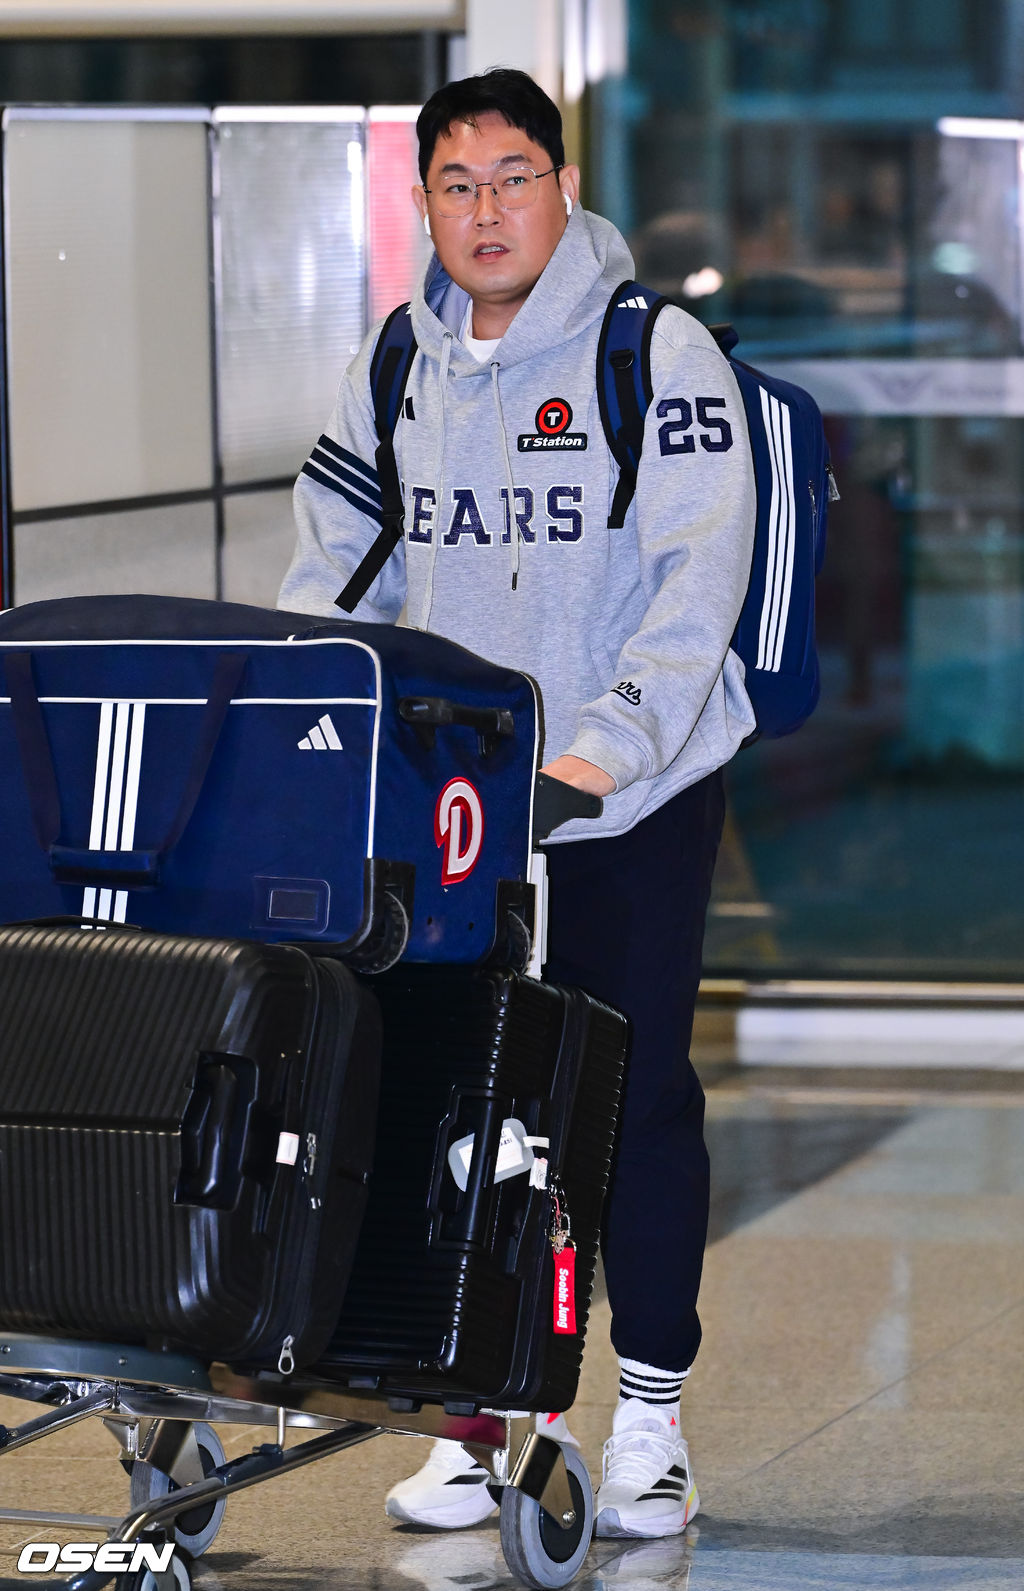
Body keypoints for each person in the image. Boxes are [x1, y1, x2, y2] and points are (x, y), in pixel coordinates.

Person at [279, 67, 755, 1540]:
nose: (486, 210)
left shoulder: (650, 351)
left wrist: (603, 753)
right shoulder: (398, 363)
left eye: (513, 177)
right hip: (459, 809)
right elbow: (334, 568)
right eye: (457, 184)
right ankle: (475, 1415)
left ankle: (652, 1422)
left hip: (629, 796)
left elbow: (699, 578)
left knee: (631, 1101)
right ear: (424, 201)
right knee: (456, 1098)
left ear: (565, 185)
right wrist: (320, 737)